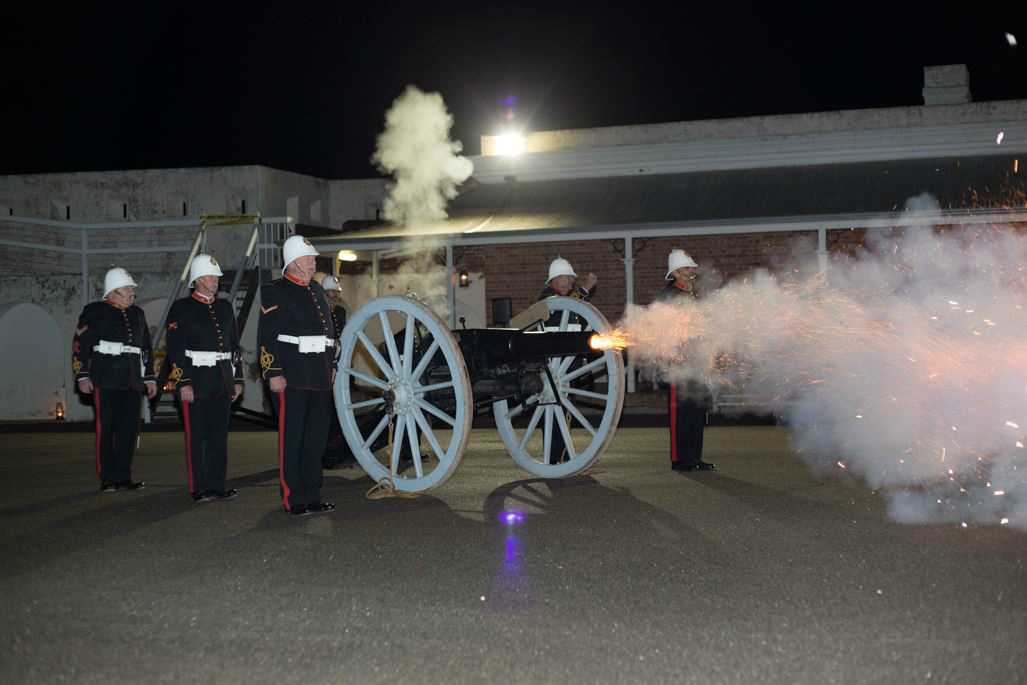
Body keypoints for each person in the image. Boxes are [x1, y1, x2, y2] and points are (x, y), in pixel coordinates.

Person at [257, 235, 338, 516]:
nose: (314, 262)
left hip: (319, 375)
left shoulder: (315, 289)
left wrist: (333, 365)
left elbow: (327, 332)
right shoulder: (276, 291)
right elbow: (266, 337)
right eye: (308, 258)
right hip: (291, 377)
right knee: (293, 440)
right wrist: (273, 373)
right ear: (292, 262)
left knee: (316, 440)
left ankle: (313, 495)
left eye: (314, 258)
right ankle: (294, 498)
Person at [165, 254, 244, 502]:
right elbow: (175, 349)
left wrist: (238, 379)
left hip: (221, 379)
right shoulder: (182, 308)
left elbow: (233, 346)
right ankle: (199, 487)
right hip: (196, 381)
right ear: (198, 279)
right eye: (211, 275)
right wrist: (183, 382)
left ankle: (217, 485)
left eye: (217, 275)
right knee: (197, 437)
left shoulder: (224, 307)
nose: (216, 279)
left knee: (219, 437)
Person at [72, 267, 158, 492]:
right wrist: (82, 374)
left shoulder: (138, 313)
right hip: (105, 378)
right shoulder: (94, 310)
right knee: (106, 429)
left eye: (131, 288)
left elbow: (146, 348)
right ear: (113, 290)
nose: (131, 291)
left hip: (132, 380)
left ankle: (123, 477)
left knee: (129, 430)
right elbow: (80, 345)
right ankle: (107, 478)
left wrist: (149, 377)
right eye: (127, 288)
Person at [536, 257, 598, 464]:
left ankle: (561, 457)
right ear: (557, 278)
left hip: (563, 370)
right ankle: (557, 458)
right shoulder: (550, 301)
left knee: (561, 414)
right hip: (554, 369)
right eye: (569, 276)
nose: (572, 280)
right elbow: (572, 306)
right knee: (556, 415)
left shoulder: (560, 300)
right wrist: (586, 290)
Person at [657, 249, 714, 472]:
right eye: (687, 268)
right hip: (678, 361)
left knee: (696, 409)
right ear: (676, 272)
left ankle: (695, 456)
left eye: (692, 268)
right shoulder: (669, 295)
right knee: (680, 412)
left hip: (696, 358)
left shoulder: (692, 295)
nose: (691, 272)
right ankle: (680, 459)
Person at [319, 274, 354, 469]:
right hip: (324, 363)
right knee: (327, 410)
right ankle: (326, 450)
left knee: (339, 409)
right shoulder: (319, 311)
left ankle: (337, 448)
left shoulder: (340, 312)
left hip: (339, 363)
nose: (335, 295)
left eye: (337, 292)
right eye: (332, 292)